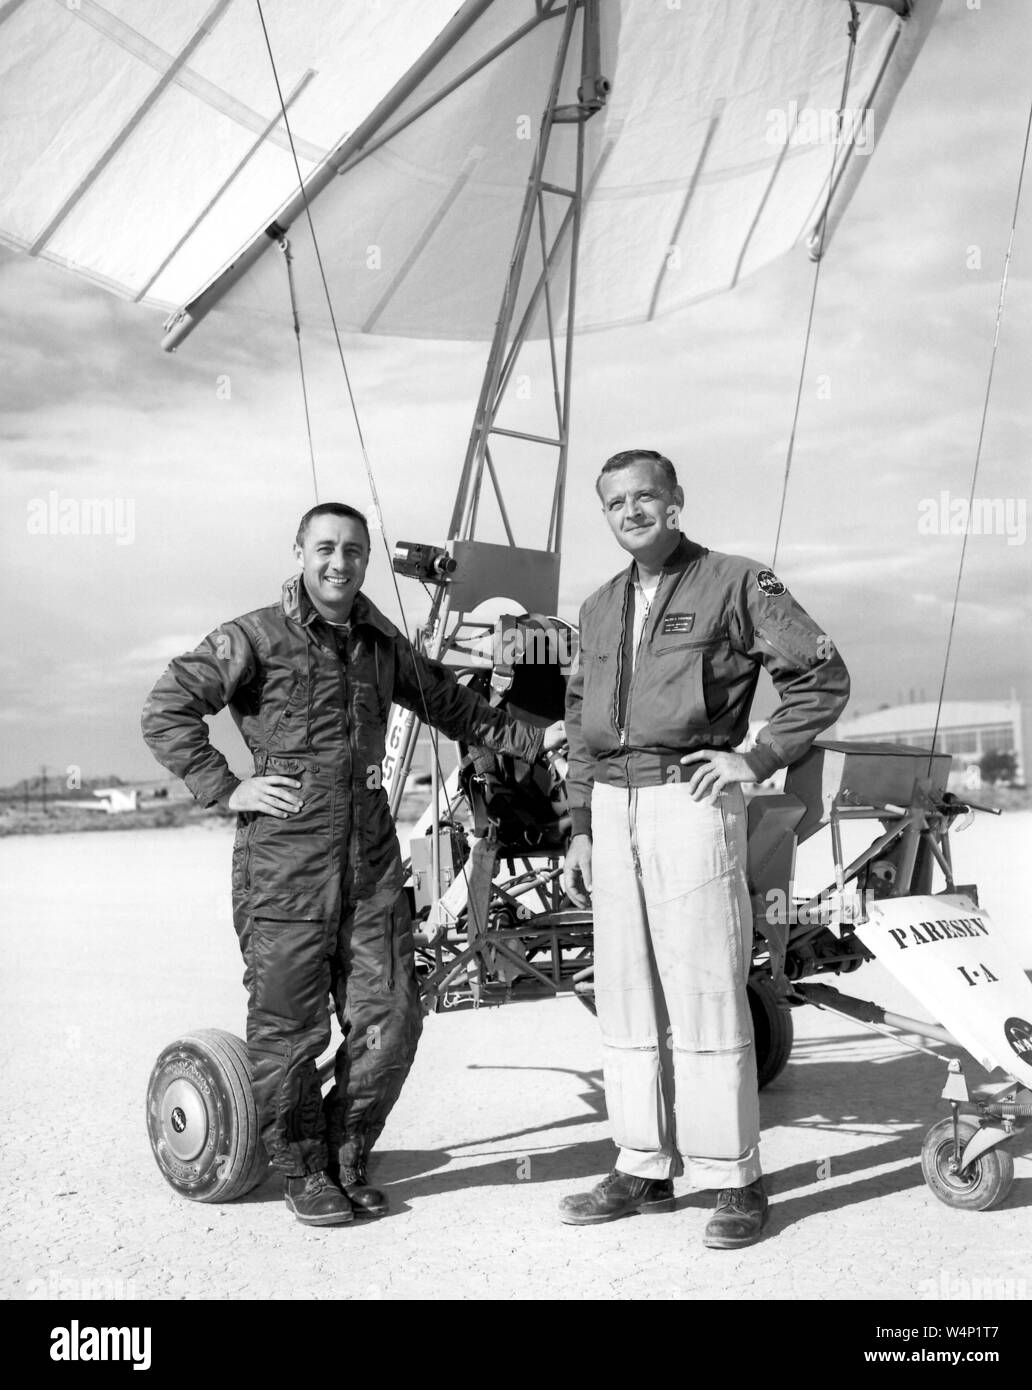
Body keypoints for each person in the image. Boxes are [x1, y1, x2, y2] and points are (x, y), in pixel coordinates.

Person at [142, 502, 565, 1227]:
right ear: (300, 553)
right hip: (285, 861)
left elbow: (454, 708)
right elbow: (167, 708)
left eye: (353, 551)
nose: (340, 563)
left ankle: (346, 1153)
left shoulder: (378, 642)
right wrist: (226, 785)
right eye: (326, 549)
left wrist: (543, 739)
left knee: (393, 1017)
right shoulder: (254, 636)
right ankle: (302, 1169)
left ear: (366, 559)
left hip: (370, 859)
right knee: (289, 1028)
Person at [559, 450, 849, 1247]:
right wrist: (580, 826)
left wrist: (753, 759)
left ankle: (733, 1180)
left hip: (688, 801)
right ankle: (641, 1165)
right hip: (613, 811)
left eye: (644, 496)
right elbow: (581, 721)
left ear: (675, 501)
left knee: (706, 990)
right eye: (615, 502)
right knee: (623, 995)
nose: (630, 512)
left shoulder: (736, 582)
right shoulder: (594, 607)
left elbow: (821, 675)